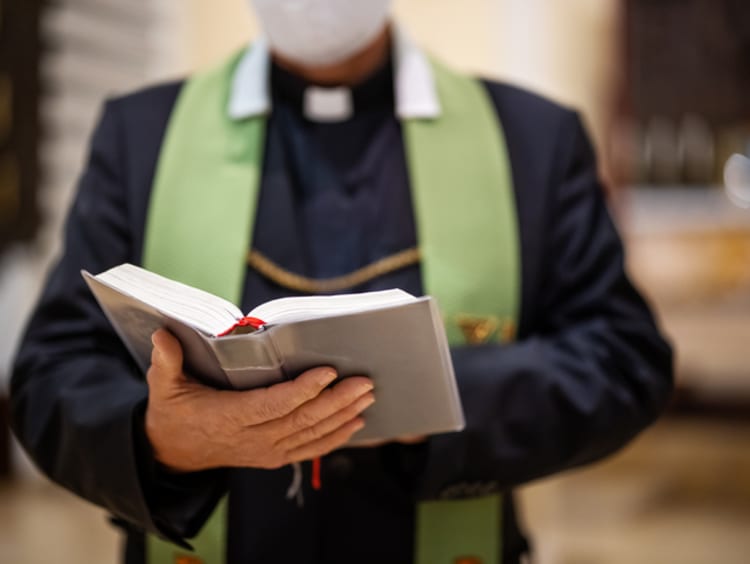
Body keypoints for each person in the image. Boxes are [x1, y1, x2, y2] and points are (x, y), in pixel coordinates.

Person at [10, 1, 673, 563]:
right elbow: (51, 371)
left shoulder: (531, 139)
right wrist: (160, 438)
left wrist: (436, 400)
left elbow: (624, 358)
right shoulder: (142, 136)